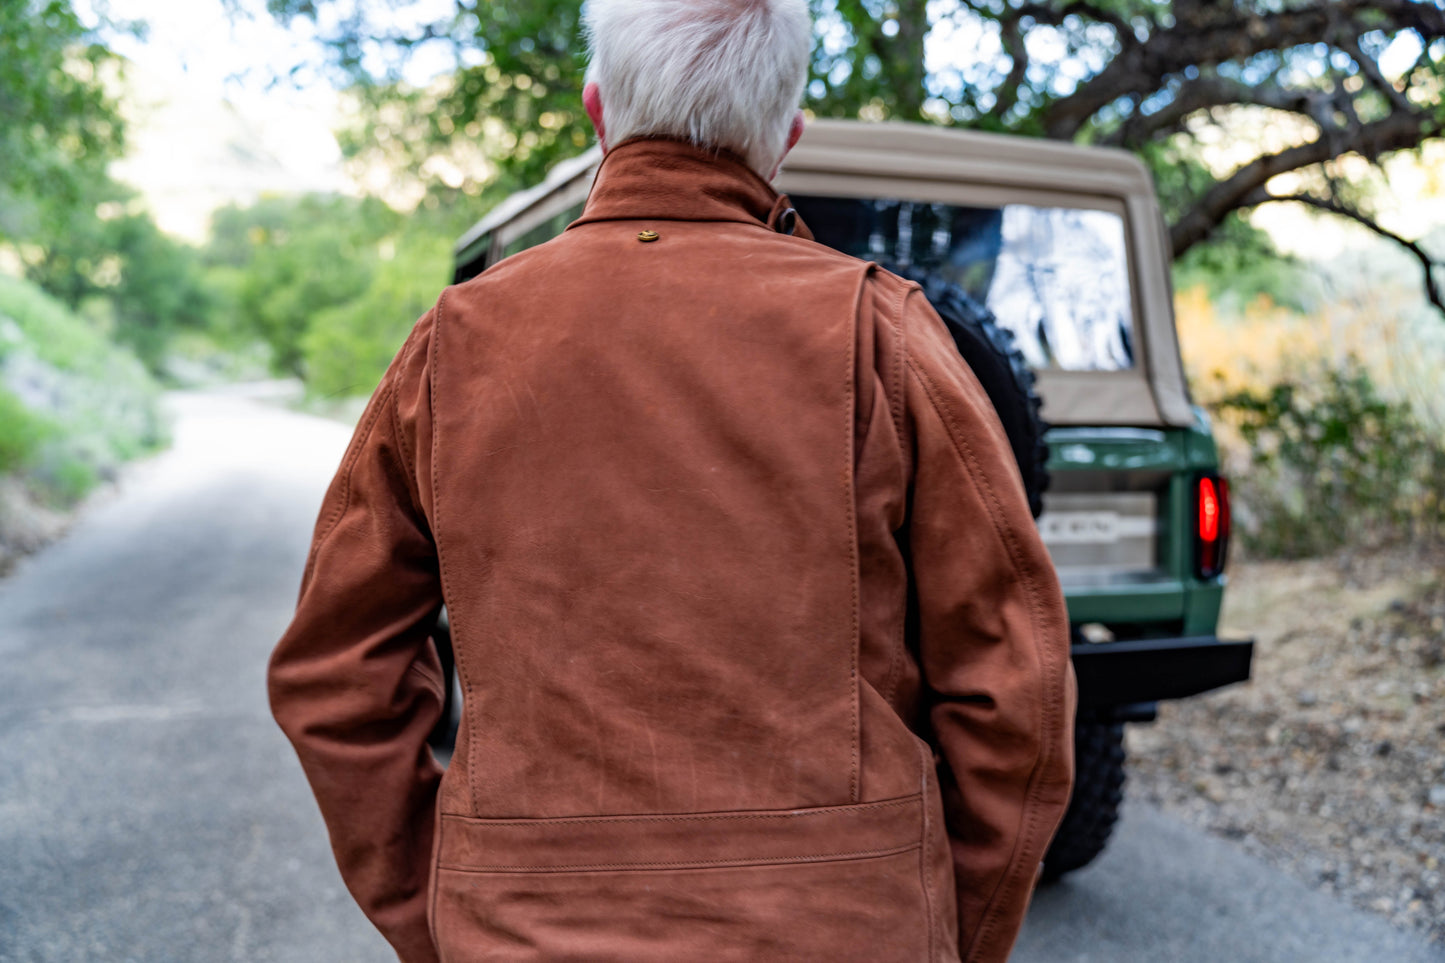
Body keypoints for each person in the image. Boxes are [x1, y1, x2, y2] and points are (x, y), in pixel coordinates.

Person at [267, 0, 1075, 960]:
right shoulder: (880, 334)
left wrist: (443, 916)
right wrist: (945, 932)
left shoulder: (455, 345)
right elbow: (1015, 694)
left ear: (596, 110)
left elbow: (334, 681)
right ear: (786, 136)